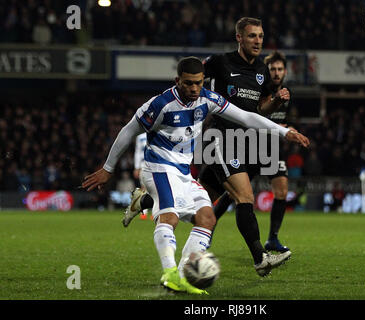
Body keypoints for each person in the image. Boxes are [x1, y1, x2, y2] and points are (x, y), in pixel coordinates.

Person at [81, 57, 310, 294]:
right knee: (169, 217)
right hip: (158, 167)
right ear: (177, 80)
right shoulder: (160, 104)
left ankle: (183, 276)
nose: (193, 88)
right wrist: (108, 168)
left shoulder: (208, 99)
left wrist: (284, 132)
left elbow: (246, 117)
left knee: (207, 218)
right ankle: (169, 274)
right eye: (188, 83)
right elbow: (128, 130)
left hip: (182, 172)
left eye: (198, 83)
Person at [197, 17, 298, 271]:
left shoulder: (262, 72)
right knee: (244, 196)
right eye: (252, 36)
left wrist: (276, 101)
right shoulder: (221, 62)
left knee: (200, 199)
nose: (258, 41)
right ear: (239, 38)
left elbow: (260, 109)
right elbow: (192, 74)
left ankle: (145, 201)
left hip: (244, 143)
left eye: (261, 36)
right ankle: (260, 258)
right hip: (219, 138)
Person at [212, 51, 295, 253]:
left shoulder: (287, 92)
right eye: (273, 69)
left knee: (282, 188)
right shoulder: (257, 86)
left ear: (285, 71)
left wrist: (285, 128)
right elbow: (252, 114)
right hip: (252, 144)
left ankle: (272, 239)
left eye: (280, 69)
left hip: (272, 148)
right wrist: (278, 127)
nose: (276, 73)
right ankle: (208, 225)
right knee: (235, 194)